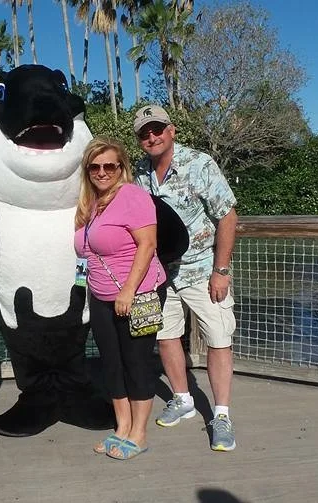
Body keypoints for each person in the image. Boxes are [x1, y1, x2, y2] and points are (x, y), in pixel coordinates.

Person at [132, 105, 239, 452]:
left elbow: (227, 216)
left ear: (171, 130)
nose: (152, 136)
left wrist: (220, 271)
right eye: (145, 133)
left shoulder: (199, 164)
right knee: (166, 337)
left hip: (202, 270)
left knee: (218, 338)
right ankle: (183, 398)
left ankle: (221, 415)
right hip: (160, 274)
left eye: (157, 129)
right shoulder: (138, 174)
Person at [74, 138, 166, 460]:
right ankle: (121, 427)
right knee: (111, 363)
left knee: (136, 361)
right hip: (100, 295)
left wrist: (128, 290)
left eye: (109, 165)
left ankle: (138, 434)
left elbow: (148, 244)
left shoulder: (132, 196)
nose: (102, 172)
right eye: (95, 167)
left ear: (121, 167)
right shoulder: (90, 203)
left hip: (139, 293)